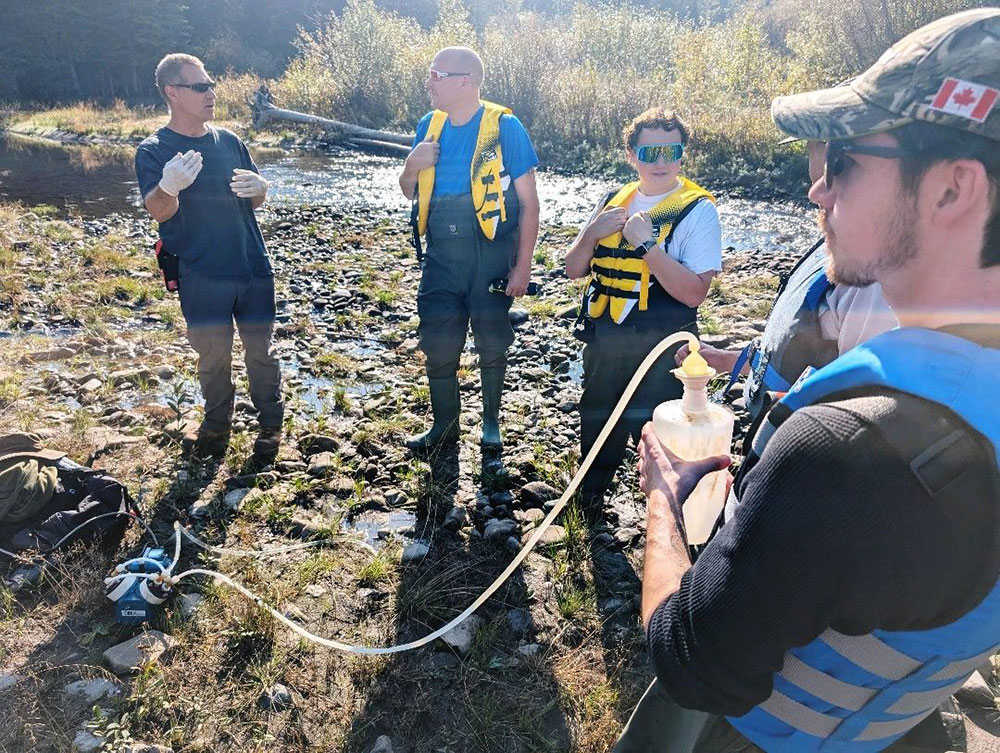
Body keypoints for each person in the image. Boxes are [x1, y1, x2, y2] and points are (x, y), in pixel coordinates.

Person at [618, 8, 1000, 753]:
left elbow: (692, 661)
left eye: (846, 161)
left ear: (953, 190)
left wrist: (663, 505)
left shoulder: (841, 454)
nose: (818, 191)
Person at [564, 108, 721, 519]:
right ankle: (589, 506)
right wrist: (589, 235)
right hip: (607, 338)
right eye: (650, 152)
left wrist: (646, 246)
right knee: (598, 419)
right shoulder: (614, 201)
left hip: (663, 345)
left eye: (672, 151)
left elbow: (693, 294)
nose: (661, 162)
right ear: (632, 154)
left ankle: (676, 520)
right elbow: (573, 269)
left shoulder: (698, 210)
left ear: (683, 154)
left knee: (663, 433)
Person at [677, 139, 896, 421]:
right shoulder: (837, 241)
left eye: (828, 153)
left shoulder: (873, 279)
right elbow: (801, 344)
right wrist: (729, 360)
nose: (815, 191)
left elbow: (863, 413)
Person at [135, 53, 283, 461]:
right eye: (200, 86)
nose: (211, 93)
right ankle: (217, 429)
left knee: (261, 352)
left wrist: (262, 188)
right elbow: (158, 211)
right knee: (213, 356)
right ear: (173, 93)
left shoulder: (230, 141)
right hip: (202, 273)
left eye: (211, 83)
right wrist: (169, 187)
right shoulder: (154, 150)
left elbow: (254, 201)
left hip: (252, 266)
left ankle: (270, 427)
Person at [398, 46, 539, 456]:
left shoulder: (505, 127)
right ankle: (444, 426)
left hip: (489, 251)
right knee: (437, 339)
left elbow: (529, 203)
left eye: (436, 75)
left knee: (492, 340)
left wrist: (523, 268)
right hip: (440, 253)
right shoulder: (430, 125)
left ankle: (491, 423)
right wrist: (411, 165)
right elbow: (410, 190)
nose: (429, 83)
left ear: (465, 81)